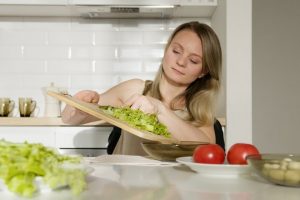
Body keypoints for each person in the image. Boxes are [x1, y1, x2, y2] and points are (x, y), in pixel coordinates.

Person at [61, 21, 222, 156]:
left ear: (204, 71)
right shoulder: (135, 89)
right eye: (176, 51)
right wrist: (79, 107)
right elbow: (68, 119)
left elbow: (207, 147)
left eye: (193, 61)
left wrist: (159, 109)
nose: (181, 62)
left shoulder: (199, 110)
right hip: (124, 189)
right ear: (166, 50)